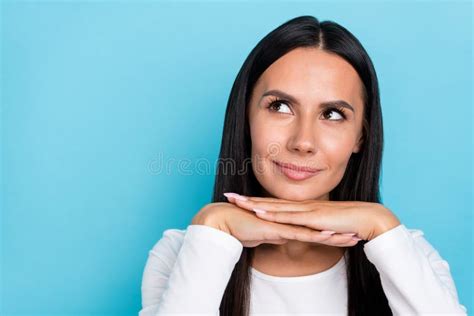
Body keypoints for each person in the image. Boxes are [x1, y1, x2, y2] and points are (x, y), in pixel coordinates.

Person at [138, 15, 468, 315]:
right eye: (280, 107)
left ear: (360, 138)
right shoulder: (184, 252)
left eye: (333, 114)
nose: (303, 141)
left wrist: (380, 225)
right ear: (245, 119)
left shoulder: (406, 255)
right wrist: (213, 228)